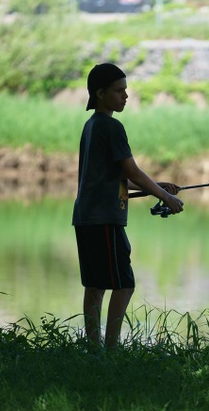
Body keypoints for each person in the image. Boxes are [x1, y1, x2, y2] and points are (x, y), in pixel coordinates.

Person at [72, 62, 184, 349]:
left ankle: (94, 347)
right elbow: (132, 172)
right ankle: (111, 348)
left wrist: (158, 188)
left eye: (126, 90)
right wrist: (167, 197)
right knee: (124, 284)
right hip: (104, 219)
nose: (125, 96)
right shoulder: (111, 126)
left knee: (95, 285)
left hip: (85, 217)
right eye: (118, 90)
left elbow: (116, 176)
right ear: (100, 93)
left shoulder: (91, 126)